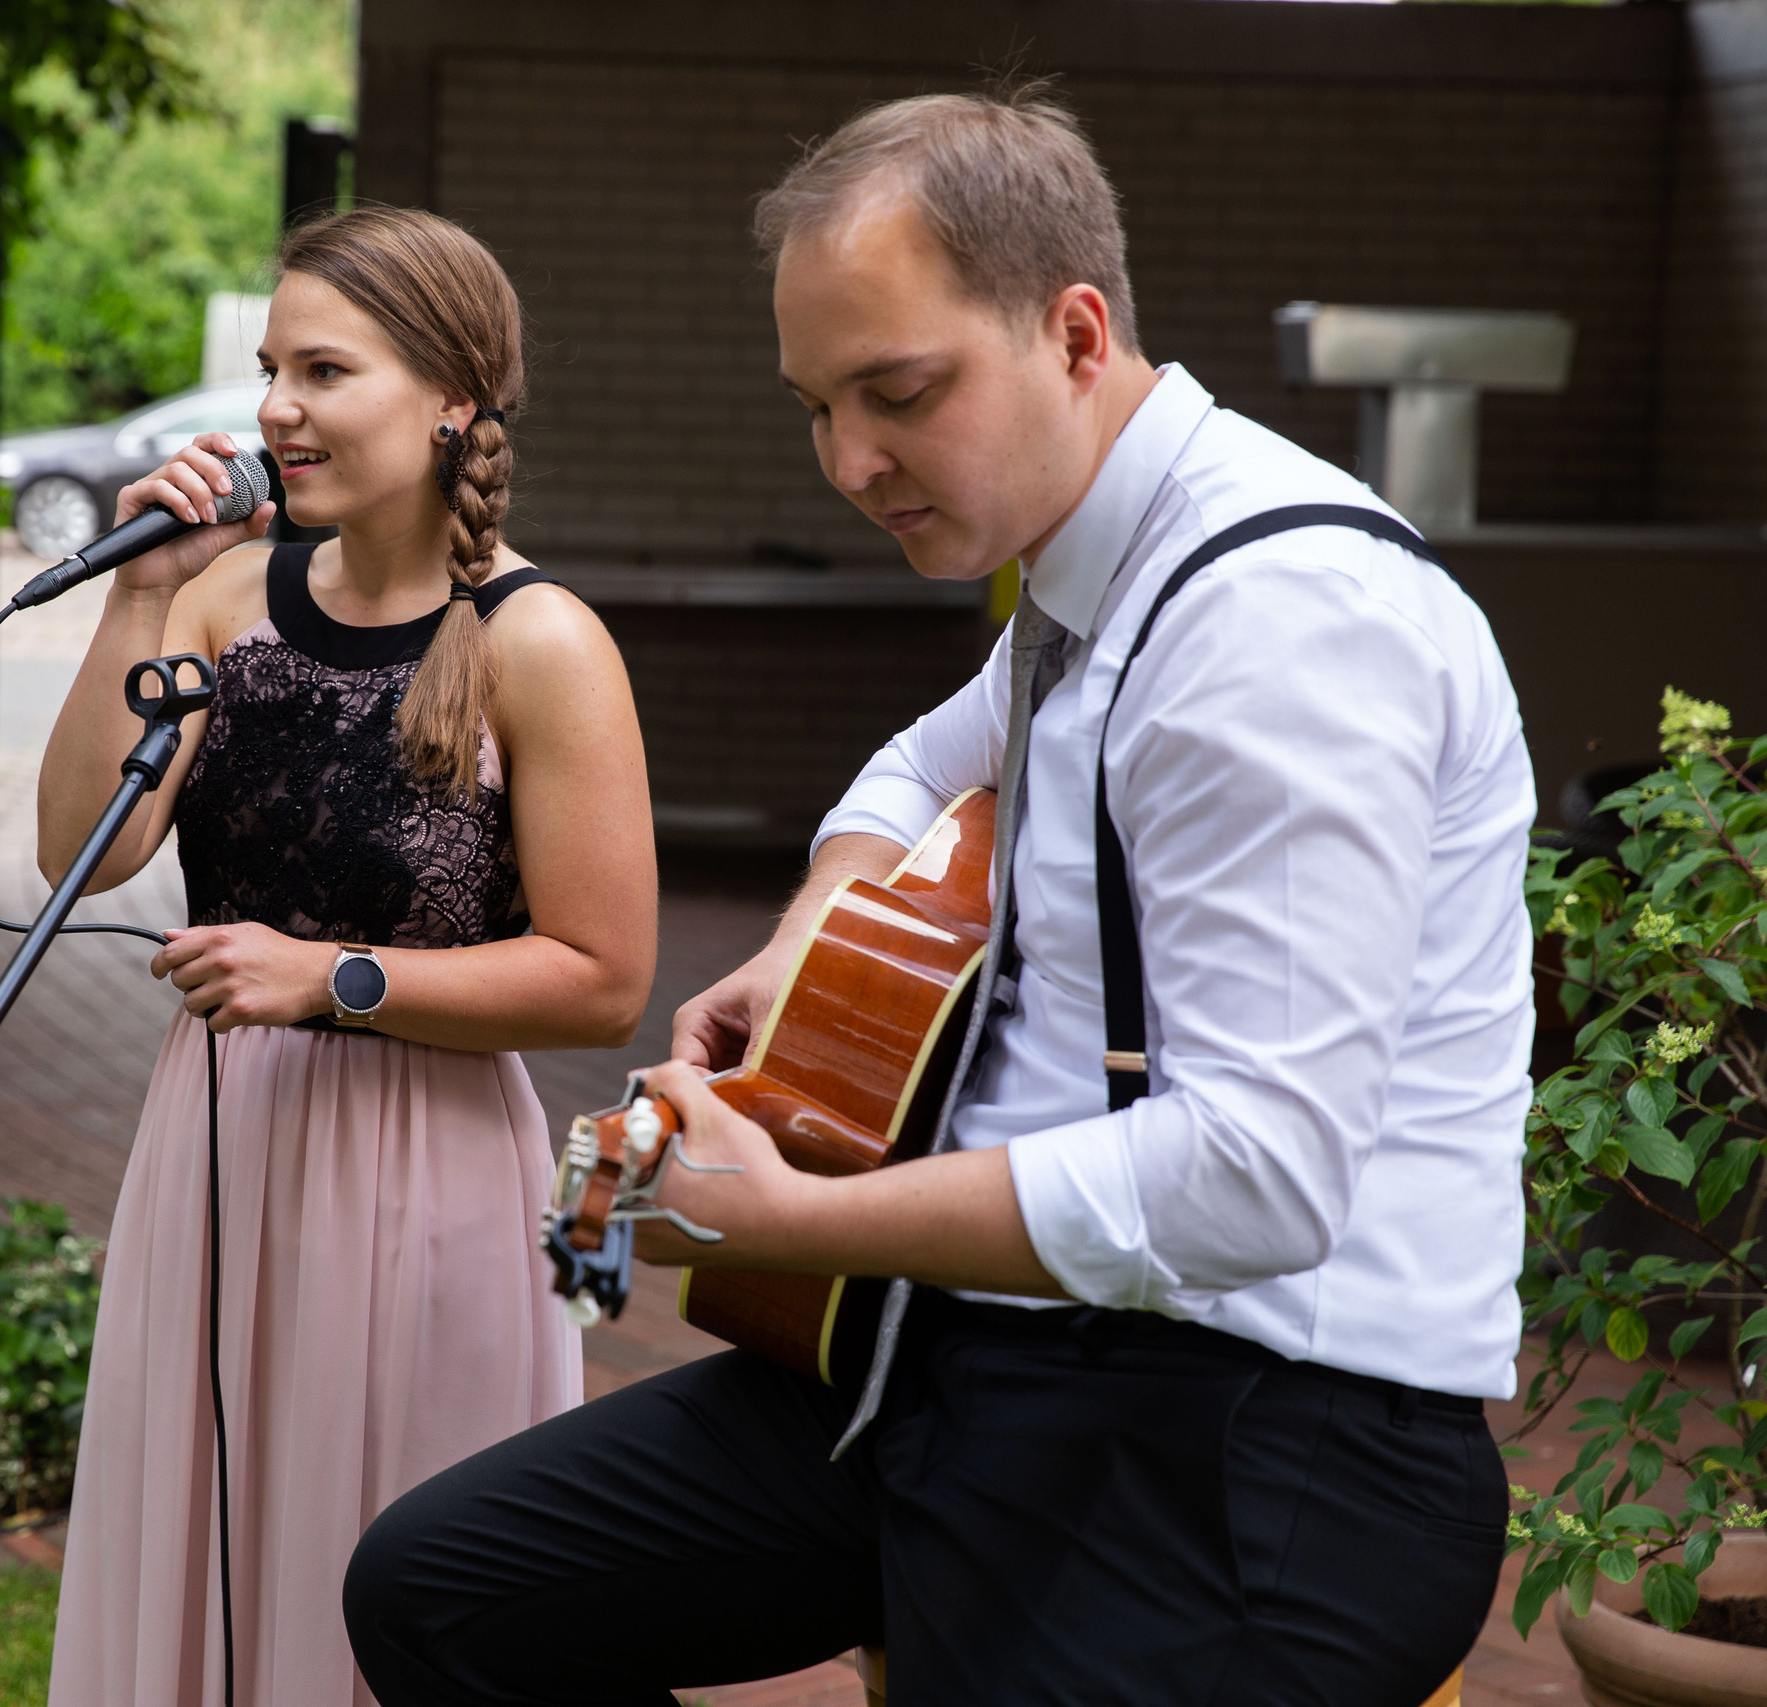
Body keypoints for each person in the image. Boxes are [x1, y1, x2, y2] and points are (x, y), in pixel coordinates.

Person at [345, 88, 1529, 1707]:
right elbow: (913, 769)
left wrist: (797, 1219)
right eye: (816, 407)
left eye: (898, 393)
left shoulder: (1279, 625)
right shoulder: (1088, 569)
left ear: (1076, 332)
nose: (849, 461)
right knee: (442, 1596)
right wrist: (810, 947)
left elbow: (1255, 1179)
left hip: (1262, 1448)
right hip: (974, 1362)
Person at [41, 206, 656, 1707]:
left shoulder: (538, 640)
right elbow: (83, 857)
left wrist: (335, 981)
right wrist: (135, 589)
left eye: (324, 369)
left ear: (451, 397)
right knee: (213, 1543)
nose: (274, 411)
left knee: (387, 1564)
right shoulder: (218, 597)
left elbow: (601, 974)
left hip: (427, 1170)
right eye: (269, 370)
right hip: (216, 1151)